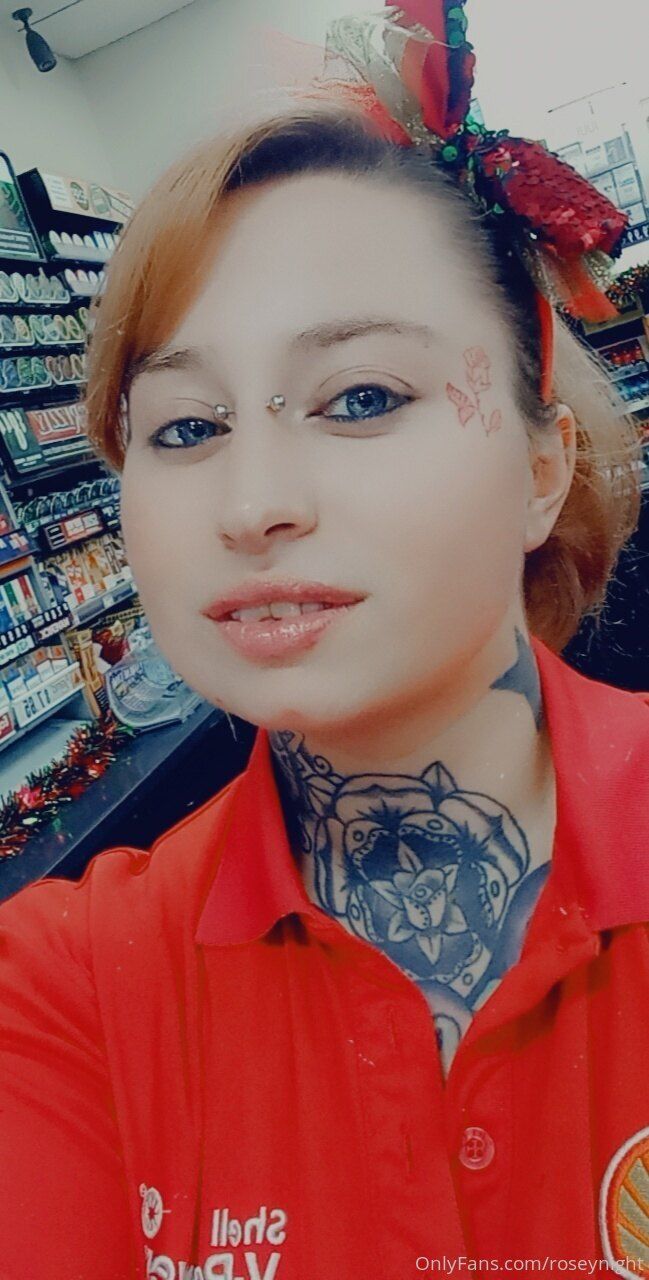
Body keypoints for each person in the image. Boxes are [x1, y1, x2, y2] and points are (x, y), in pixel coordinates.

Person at [1, 3, 648, 1277]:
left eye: (360, 396)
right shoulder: (71, 988)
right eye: (186, 427)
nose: (252, 505)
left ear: (538, 467)